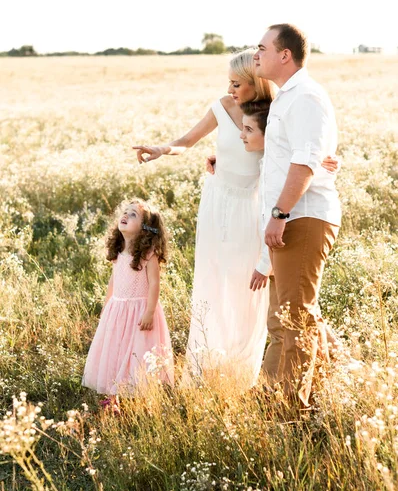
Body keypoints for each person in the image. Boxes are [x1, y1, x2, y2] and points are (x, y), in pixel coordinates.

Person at [133, 49, 273, 386]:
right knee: (211, 280)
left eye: (237, 83)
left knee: (247, 286)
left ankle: (241, 371)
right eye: (229, 82)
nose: (230, 89)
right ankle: (205, 366)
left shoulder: (275, 112)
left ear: (256, 84)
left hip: (251, 208)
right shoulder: (222, 106)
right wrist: (161, 150)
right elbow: (188, 140)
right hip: (216, 202)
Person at [253, 23, 341, 408]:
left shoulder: (305, 95)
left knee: (295, 316)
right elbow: (288, 158)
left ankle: (292, 409)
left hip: (301, 217)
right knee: (289, 313)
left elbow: (304, 162)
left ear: (284, 55)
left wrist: (279, 213)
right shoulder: (287, 97)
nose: (256, 54)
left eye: (262, 48)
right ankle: (319, 386)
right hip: (290, 217)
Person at [82, 198, 174, 411]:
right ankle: (112, 398)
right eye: (125, 212)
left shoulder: (149, 254)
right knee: (115, 350)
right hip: (118, 309)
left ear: (145, 228)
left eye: (133, 214)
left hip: (140, 311)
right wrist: (106, 307)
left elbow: (153, 285)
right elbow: (113, 281)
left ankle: (143, 397)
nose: (125, 215)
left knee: (139, 353)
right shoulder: (120, 251)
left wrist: (150, 312)